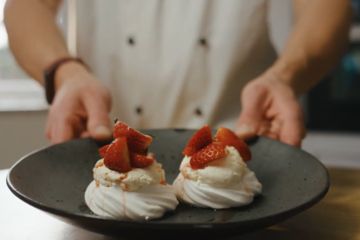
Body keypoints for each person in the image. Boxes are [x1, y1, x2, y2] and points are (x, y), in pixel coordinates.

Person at [4, 0, 351, 147]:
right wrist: (66, 74)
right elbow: (27, 6)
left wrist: (284, 76)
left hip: (245, 147)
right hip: (102, 150)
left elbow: (326, 6)